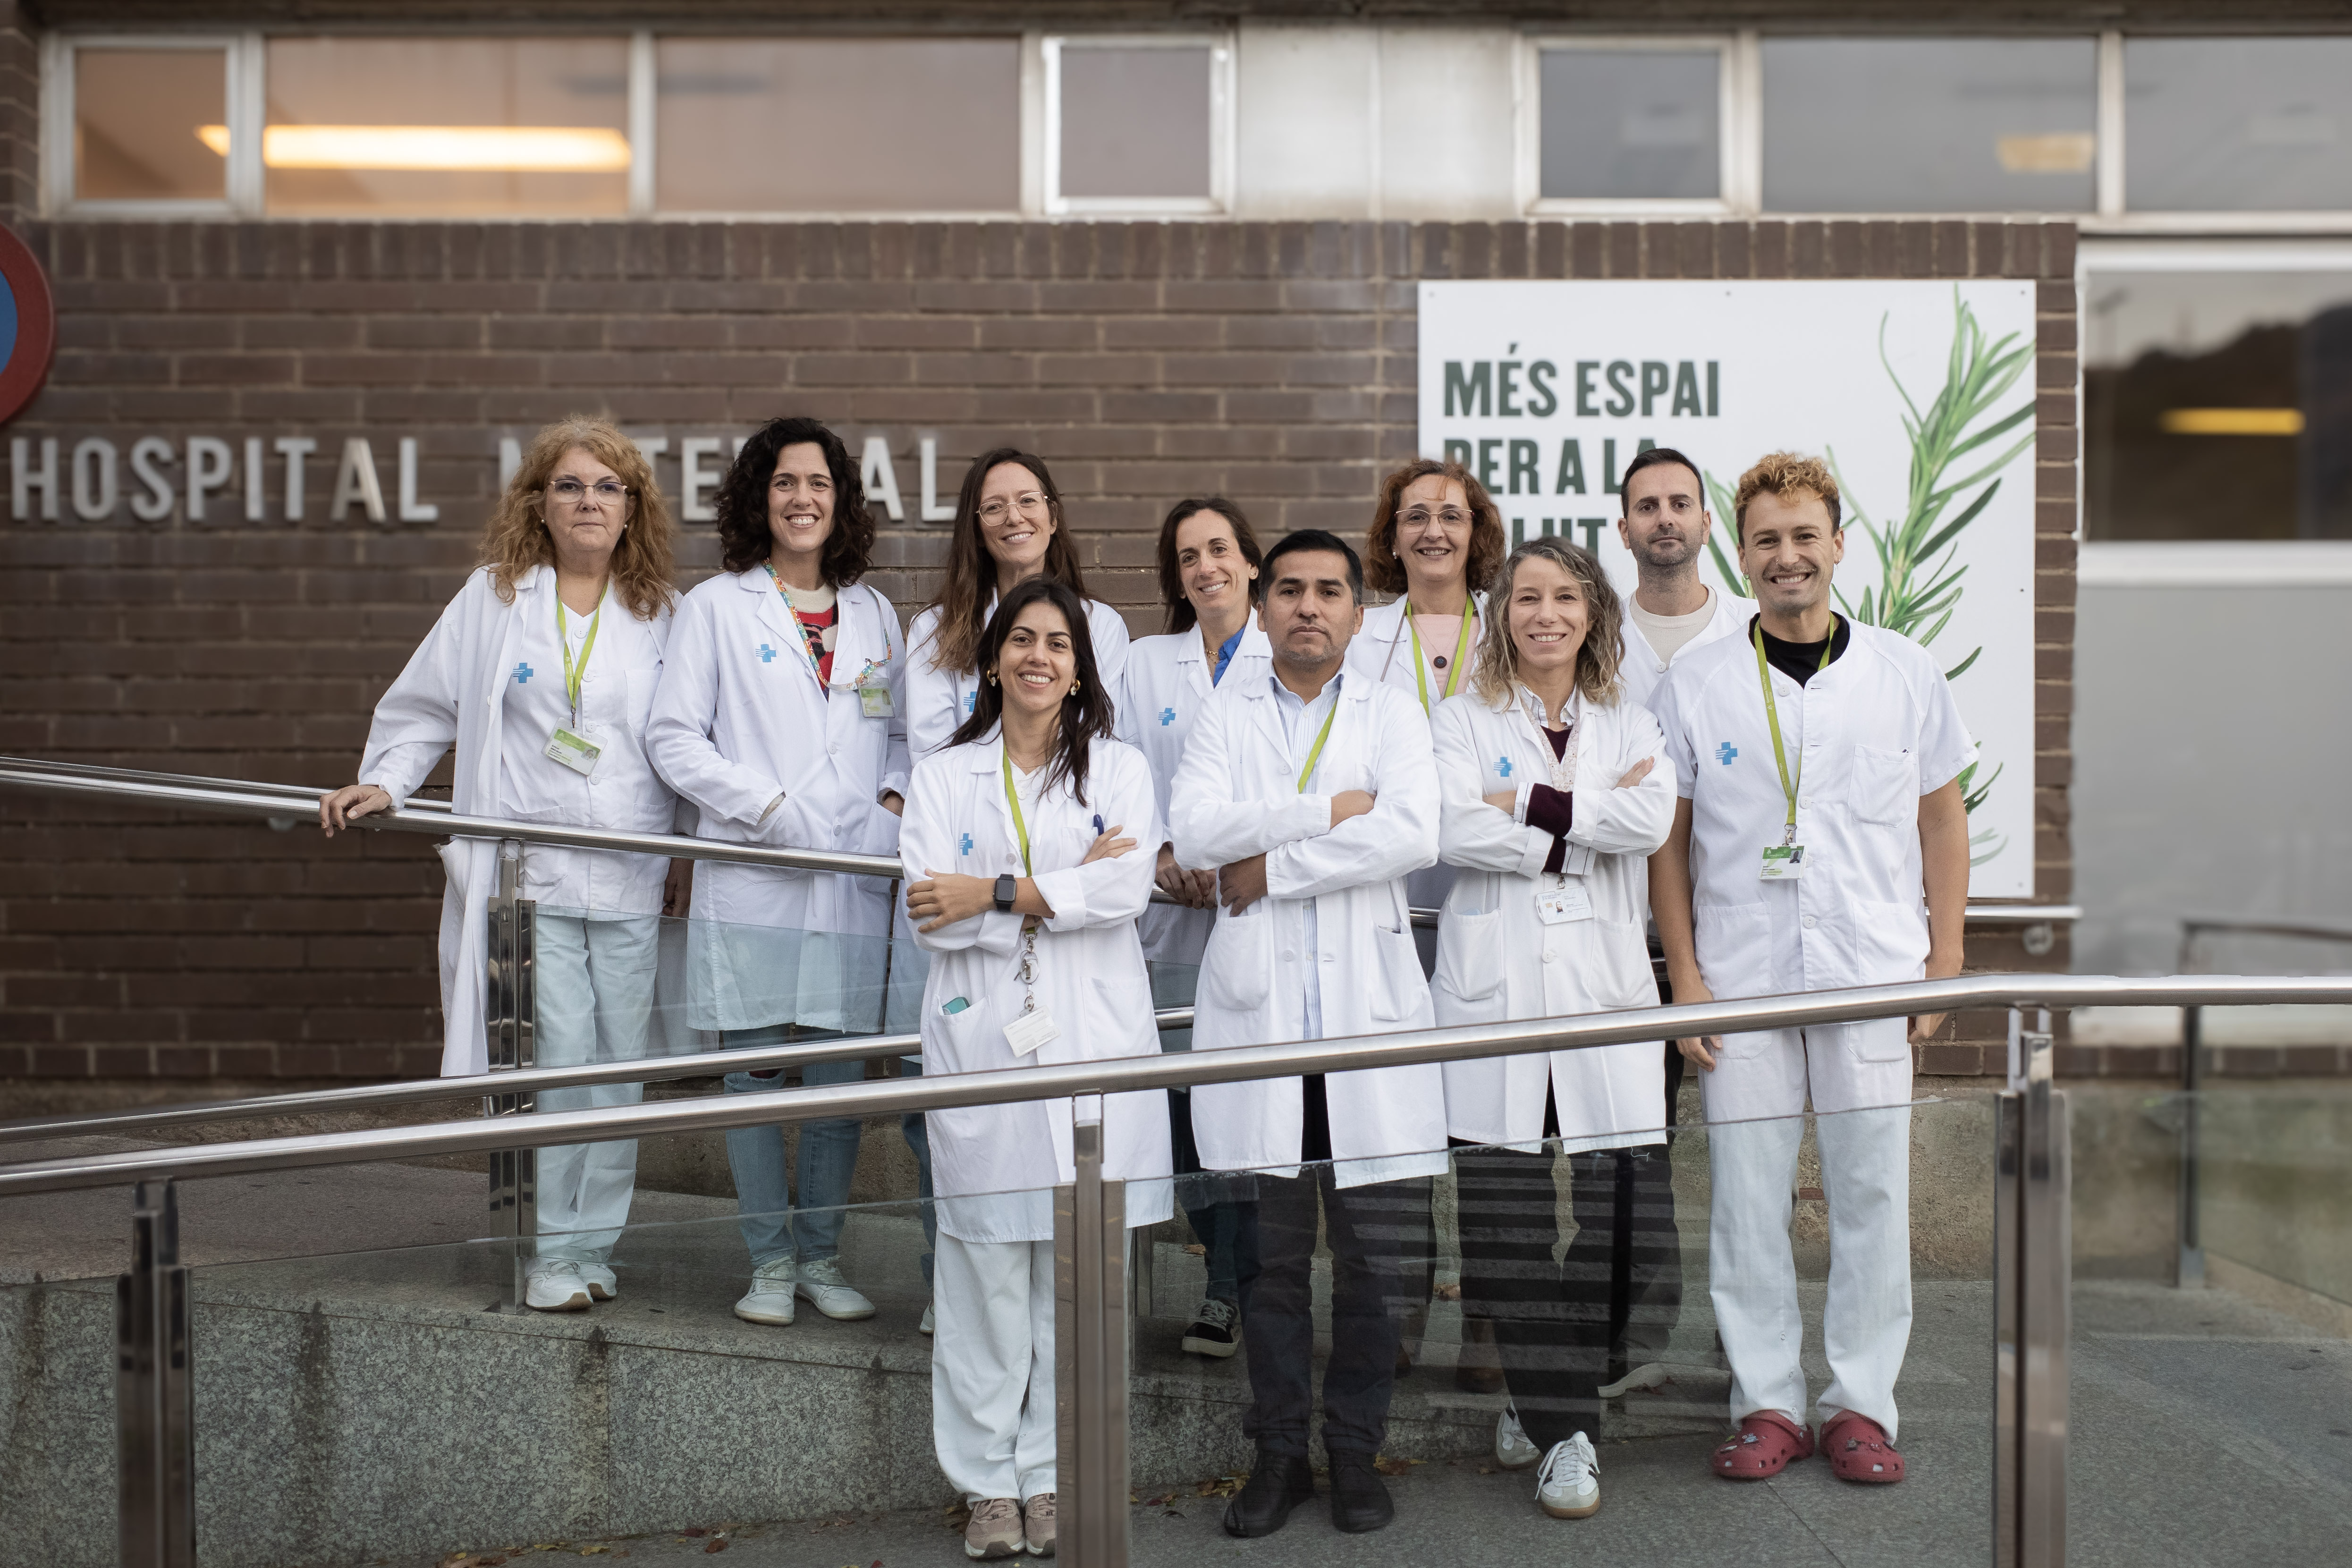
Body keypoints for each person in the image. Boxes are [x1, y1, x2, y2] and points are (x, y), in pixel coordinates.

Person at [1647, 452, 1973, 1488]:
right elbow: (1667, 842)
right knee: (1746, 1200)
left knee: (1871, 1193)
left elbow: (1941, 818)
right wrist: (1685, 978)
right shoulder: (1695, 684)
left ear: (1837, 544)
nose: (1785, 556)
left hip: (1874, 974)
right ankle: (1767, 1403)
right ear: (1739, 555)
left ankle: (1861, 1406)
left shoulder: (1903, 671)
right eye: (1765, 540)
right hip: (1739, 977)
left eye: (1802, 536)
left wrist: (1945, 961)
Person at [321, 417, 686, 1313]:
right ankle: (547, 1251)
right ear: (539, 503)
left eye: (608, 487)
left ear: (632, 508)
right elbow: (424, 707)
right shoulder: (493, 599)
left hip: (633, 871)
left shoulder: (663, 613)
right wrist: (387, 781)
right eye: (570, 485)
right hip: (532, 874)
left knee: (618, 1071)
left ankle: (595, 1245)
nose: (590, 501)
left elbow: (689, 741)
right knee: (555, 1061)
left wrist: (689, 849)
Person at [1170, 529, 1447, 1540]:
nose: (1307, 607)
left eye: (1329, 591)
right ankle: (1280, 1452)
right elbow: (1198, 832)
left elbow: (1411, 833)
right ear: (1263, 604)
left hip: (1366, 1025)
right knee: (1268, 1266)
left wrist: (1272, 865)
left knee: (1378, 1265)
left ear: (1357, 614)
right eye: (1288, 589)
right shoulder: (1226, 709)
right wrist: (1330, 811)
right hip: (1264, 1025)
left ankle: (1355, 1449)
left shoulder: (1393, 710)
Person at [900, 576, 1171, 1561]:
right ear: (992, 660)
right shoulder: (943, 776)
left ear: (1080, 670)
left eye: (1058, 644)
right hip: (982, 1039)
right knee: (982, 1271)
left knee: (1077, 1275)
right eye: (1021, 639)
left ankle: (1054, 1475)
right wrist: (1061, 889)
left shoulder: (1120, 768)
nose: (1039, 657)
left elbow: (1126, 888)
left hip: (1091, 1039)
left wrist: (996, 891)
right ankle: (987, 1486)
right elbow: (929, 912)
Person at [1429, 536, 1678, 1521]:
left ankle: (1540, 1388)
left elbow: (1649, 822)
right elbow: (1452, 827)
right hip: (1495, 994)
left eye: (1564, 597)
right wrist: (1583, 826)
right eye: (1526, 597)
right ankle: (1566, 1431)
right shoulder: (1459, 718)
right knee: (1507, 1227)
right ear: (1502, 614)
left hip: (1604, 993)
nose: (1545, 614)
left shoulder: (1630, 718)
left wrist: (1527, 803)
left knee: (1631, 1228)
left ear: (1592, 613)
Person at [646, 416, 914, 1331]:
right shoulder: (717, 608)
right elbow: (672, 738)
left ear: (841, 502)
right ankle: (768, 1264)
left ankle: (822, 1258)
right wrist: (764, 808)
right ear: (759, 499)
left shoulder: (874, 614)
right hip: (757, 871)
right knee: (755, 1075)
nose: (803, 499)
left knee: (837, 1082)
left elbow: (904, 737)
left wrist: (888, 808)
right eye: (784, 482)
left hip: (849, 876)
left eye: (819, 483)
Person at [1116, 497, 1271, 1362]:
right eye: (1187, 557)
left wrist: (1236, 858)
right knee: (1180, 1110)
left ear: (1250, 561)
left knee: (1246, 1100)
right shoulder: (1145, 664)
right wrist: (1162, 850)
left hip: (1257, 910)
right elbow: (1115, 771)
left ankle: (1245, 1288)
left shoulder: (1291, 657)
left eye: (1218, 549)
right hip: (1171, 915)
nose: (1205, 567)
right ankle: (1225, 1275)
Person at [905, 448, 1132, 764]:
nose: (1014, 517)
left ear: (1052, 518)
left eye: (1027, 501)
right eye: (994, 507)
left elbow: (1093, 739)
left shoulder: (1101, 625)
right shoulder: (935, 627)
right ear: (978, 532)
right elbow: (932, 755)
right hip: (960, 796)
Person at [1613, 446, 1757, 712]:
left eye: (1680, 505)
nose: (1665, 519)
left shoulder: (1756, 625)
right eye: (1648, 507)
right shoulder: (1597, 637)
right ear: (1625, 532)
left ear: (1705, 525)